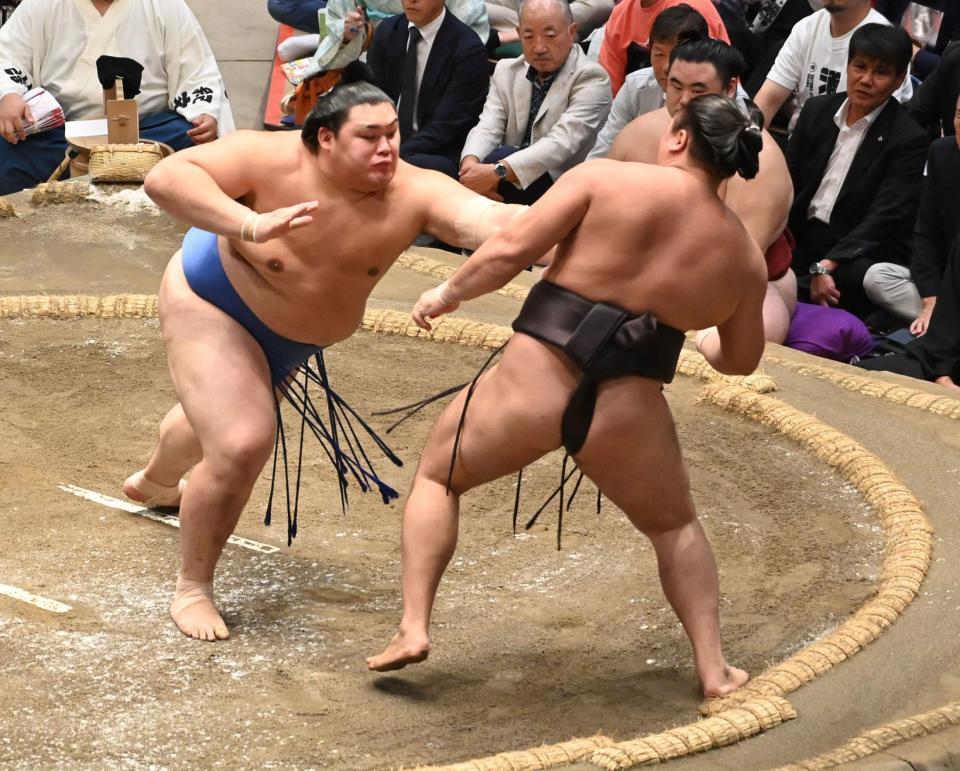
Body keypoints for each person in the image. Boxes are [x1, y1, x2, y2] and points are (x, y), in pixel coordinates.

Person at [367, 93, 766, 699]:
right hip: (627, 409)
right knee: (675, 526)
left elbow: (507, 251)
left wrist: (445, 294)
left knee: (439, 479)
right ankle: (714, 670)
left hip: (534, 380)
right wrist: (706, 343)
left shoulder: (606, 178)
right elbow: (742, 361)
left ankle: (414, 627)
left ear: (680, 139)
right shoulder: (742, 257)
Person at [123, 76, 530, 643]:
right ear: (324, 140)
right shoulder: (267, 157)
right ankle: (192, 588)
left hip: (293, 338)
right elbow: (164, 178)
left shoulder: (414, 191)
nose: (388, 148)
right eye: (370, 137)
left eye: (393, 134)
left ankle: (158, 480)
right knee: (241, 439)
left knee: (212, 419)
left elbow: (488, 222)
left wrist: (556, 224)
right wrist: (249, 222)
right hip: (212, 298)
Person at [608, 38, 796, 342]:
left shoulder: (760, 158)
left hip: (743, 284)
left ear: (730, 88)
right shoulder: (640, 132)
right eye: (676, 86)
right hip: (642, 260)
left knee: (735, 336)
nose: (683, 100)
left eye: (698, 90)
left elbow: (736, 265)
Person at [0, 0, 233, 196]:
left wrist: (203, 113)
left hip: (146, 137)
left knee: (192, 137)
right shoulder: (41, 5)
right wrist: (8, 94)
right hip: (63, 140)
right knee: (7, 149)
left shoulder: (166, 5)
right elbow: (6, 57)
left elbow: (198, 71)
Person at [786, 24, 927, 321]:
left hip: (856, 249)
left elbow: (885, 216)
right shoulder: (817, 110)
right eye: (859, 67)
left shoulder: (908, 137)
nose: (866, 80)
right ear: (847, 66)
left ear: (899, 79)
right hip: (801, 234)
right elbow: (788, 181)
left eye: (881, 73)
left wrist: (828, 264)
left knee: (859, 278)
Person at [458, 0, 611, 204]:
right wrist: (470, 165)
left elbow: (560, 143)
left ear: (571, 32)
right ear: (519, 34)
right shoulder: (507, 70)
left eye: (550, 36)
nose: (539, 47)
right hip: (505, 177)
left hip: (563, 186)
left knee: (500, 159)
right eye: (529, 36)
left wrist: (497, 171)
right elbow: (488, 126)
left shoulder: (592, 78)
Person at [863, 93, 960, 331]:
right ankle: (940, 321)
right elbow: (926, 233)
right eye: (959, 114)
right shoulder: (942, 152)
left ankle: (941, 326)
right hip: (946, 282)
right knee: (878, 277)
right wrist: (931, 298)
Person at [366, 0, 489, 176]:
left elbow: (446, 127)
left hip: (440, 151)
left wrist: (391, 152)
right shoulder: (388, 31)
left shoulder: (468, 48)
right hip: (388, 142)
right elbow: (371, 98)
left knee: (401, 166)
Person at [753, 0, 912, 132]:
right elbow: (766, 102)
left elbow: (874, 134)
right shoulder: (807, 27)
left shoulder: (888, 44)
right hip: (798, 149)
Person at [588, 3, 709, 160]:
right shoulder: (635, 87)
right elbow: (603, 151)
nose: (666, 67)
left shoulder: (721, 93)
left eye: (676, 56)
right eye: (659, 54)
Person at [597, 0, 728, 96]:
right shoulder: (621, 13)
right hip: (638, 106)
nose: (666, 66)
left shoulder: (695, 9)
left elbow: (710, 88)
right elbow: (608, 91)